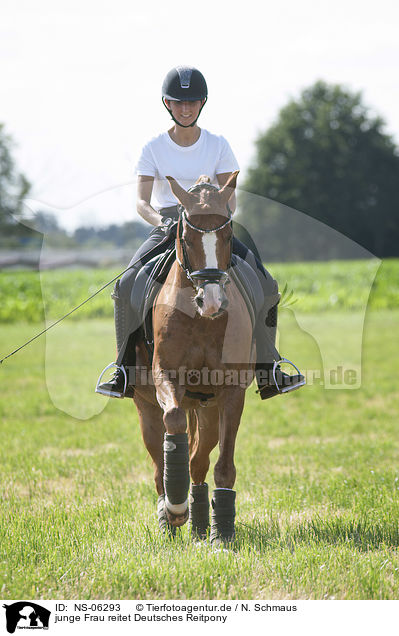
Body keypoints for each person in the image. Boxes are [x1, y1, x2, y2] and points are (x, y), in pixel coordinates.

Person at [96, 66, 305, 400]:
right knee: (124, 284)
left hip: (211, 227)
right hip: (167, 224)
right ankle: (122, 369)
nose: (185, 108)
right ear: (167, 103)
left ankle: (269, 369)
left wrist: (209, 210)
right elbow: (140, 202)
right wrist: (162, 221)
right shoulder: (153, 148)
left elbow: (230, 199)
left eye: (192, 101)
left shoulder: (218, 145)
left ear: (202, 102)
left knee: (267, 283)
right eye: (178, 102)